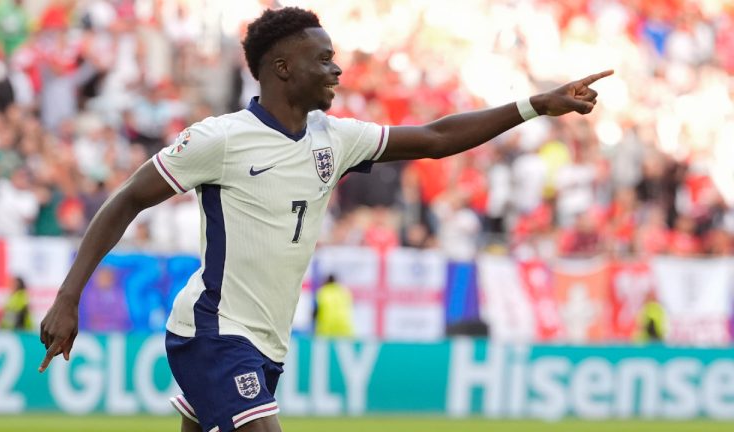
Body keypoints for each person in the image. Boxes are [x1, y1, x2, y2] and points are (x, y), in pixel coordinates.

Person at [38, 7, 611, 432]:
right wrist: (68, 298)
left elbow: (437, 138)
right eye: (325, 59)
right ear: (283, 68)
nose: (337, 69)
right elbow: (125, 201)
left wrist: (537, 104)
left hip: (267, 343)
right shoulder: (221, 139)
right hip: (215, 331)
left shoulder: (334, 139)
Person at [313, 274, 354, 338]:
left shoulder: (323, 292)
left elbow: (315, 312)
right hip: (344, 329)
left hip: (327, 329)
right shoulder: (343, 292)